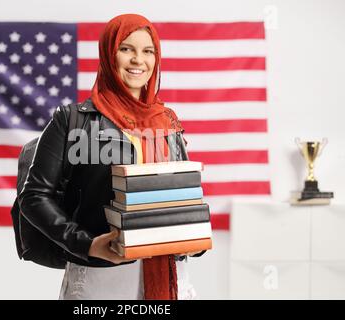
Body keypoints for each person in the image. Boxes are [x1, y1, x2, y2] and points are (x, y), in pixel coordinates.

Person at [18, 13, 206, 300]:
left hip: (168, 274)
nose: (137, 60)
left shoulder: (168, 122)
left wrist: (193, 241)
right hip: (99, 278)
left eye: (148, 51)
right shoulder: (71, 120)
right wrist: (88, 244)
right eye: (126, 48)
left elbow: (182, 198)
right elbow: (34, 197)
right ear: (108, 54)